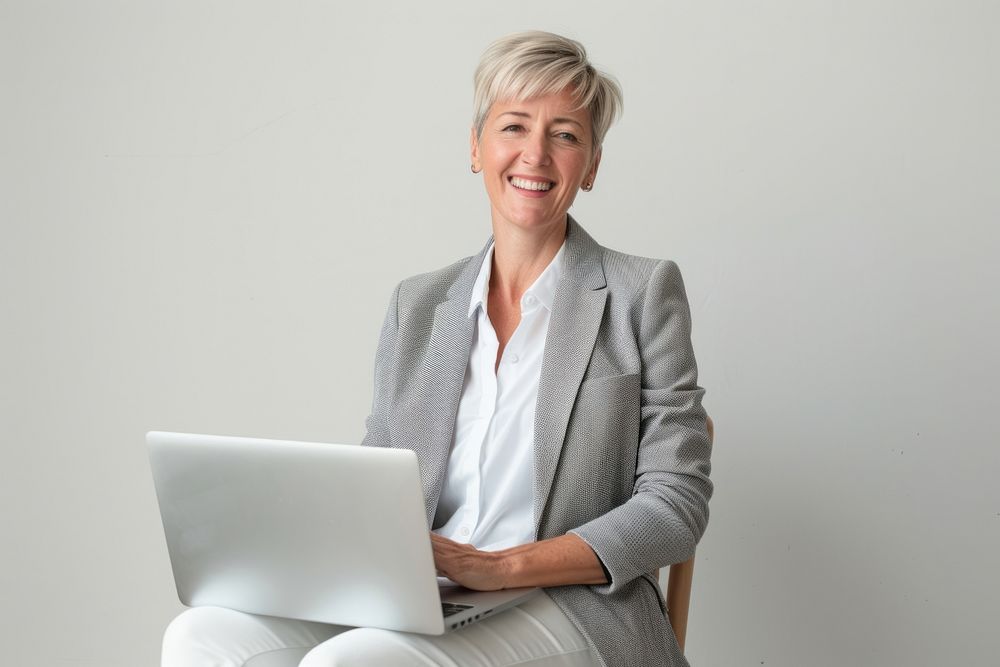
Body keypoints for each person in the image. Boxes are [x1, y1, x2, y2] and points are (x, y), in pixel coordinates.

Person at [162, 30, 712, 667]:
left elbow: (676, 505)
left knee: (355, 661)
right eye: (513, 126)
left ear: (589, 167)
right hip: (421, 595)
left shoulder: (642, 292)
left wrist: (501, 566)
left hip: (570, 605)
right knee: (201, 635)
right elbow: (378, 478)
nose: (535, 153)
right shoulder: (418, 306)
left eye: (565, 134)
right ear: (476, 147)